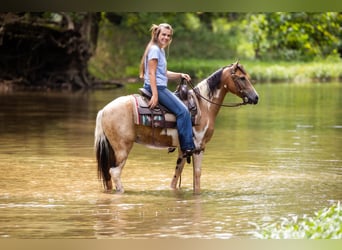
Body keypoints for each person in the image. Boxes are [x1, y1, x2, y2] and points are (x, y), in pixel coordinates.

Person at [139, 23, 195, 157]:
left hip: (159, 86)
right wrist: (155, 95)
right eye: (163, 34)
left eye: (168, 36)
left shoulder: (160, 50)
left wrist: (180, 75)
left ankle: (173, 140)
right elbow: (152, 73)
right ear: (157, 34)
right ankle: (187, 147)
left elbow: (163, 73)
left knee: (179, 106)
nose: (166, 37)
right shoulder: (155, 50)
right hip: (156, 87)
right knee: (183, 112)